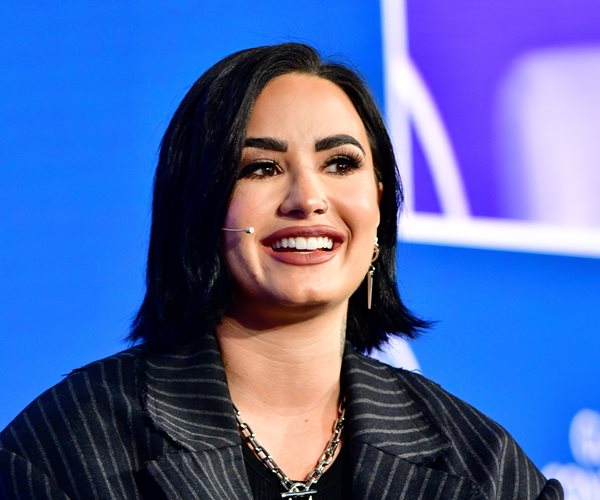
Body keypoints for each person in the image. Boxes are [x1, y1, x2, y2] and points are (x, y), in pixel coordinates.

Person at [0, 43, 562, 499]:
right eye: (263, 168)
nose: (309, 199)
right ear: (199, 207)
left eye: (340, 163)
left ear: (378, 206)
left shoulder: (482, 465)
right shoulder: (67, 450)